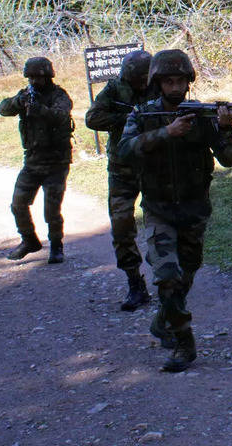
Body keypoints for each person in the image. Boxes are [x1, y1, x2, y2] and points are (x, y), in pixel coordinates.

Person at [117, 49, 232, 372]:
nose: (174, 87)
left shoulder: (203, 116)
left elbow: (228, 159)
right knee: (167, 277)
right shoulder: (142, 115)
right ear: (157, 83)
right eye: (168, 81)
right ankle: (185, 344)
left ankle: (163, 320)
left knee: (185, 276)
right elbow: (124, 151)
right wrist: (165, 133)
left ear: (188, 82)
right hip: (158, 209)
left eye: (179, 81)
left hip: (194, 210)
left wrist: (225, 128)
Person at [84, 49, 153, 311]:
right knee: (122, 225)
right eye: (135, 79)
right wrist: (127, 119)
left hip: (153, 164)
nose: (140, 84)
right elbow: (93, 118)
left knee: (162, 221)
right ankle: (135, 283)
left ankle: (167, 277)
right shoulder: (115, 89)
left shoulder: (160, 86)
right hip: (122, 167)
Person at [0, 56, 75, 264]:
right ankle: (29, 240)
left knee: (51, 210)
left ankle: (56, 246)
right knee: (18, 204)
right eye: (30, 78)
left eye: (38, 78)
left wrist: (39, 109)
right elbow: (3, 109)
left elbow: (61, 114)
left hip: (57, 162)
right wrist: (17, 102)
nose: (33, 82)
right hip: (33, 161)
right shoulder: (26, 95)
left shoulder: (59, 96)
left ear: (48, 76)